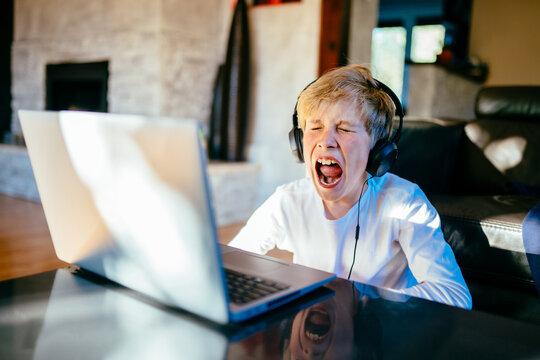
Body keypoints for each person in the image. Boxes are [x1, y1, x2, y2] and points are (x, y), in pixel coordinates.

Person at [229, 64, 472, 310]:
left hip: (378, 339)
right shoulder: (289, 200)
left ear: (377, 151)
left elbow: (455, 294)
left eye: (344, 129)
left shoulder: (405, 203)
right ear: (300, 144)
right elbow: (227, 264)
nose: (326, 142)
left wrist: (365, 297)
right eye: (315, 127)